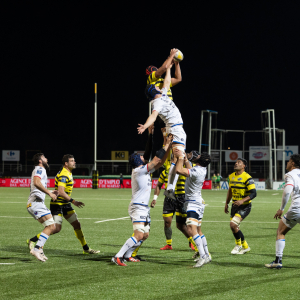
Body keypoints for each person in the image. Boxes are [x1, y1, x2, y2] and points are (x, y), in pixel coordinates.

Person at [111, 135, 173, 266]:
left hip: (144, 207)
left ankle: (128, 256)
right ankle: (118, 256)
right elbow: (156, 159)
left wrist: (169, 149)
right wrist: (166, 144)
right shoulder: (139, 171)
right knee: (138, 235)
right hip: (138, 206)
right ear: (136, 161)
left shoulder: (144, 171)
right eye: (140, 157)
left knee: (145, 235)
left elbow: (161, 162)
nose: (142, 157)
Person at [27, 154, 100, 255]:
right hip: (57, 204)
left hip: (65, 204)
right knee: (55, 228)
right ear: (66, 163)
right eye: (72, 161)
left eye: (74, 160)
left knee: (77, 224)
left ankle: (86, 248)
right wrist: (74, 201)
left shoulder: (68, 172)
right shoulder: (64, 174)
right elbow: (61, 191)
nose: (74, 162)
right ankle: (33, 240)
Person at [138, 50, 186, 201]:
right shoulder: (154, 88)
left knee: (173, 157)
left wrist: (175, 64)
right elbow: (153, 115)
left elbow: (171, 79)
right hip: (172, 126)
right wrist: (171, 57)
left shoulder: (163, 92)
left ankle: (164, 181)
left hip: (176, 127)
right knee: (178, 157)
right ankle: (170, 187)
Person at [174, 149, 212, 268]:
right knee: (198, 231)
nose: (197, 155)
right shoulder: (200, 169)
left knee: (191, 229)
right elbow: (190, 168)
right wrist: (185, 159)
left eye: (200, 155)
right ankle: (206, 255)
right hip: (197, 201)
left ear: (201, 160)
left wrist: (180, 158)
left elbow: (178, 170)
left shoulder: (198, 171)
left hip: (193, 203)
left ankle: (202, 256)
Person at [265, 154, 300, 269]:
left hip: (297, 209)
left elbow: (287, 191)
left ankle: (278, 261)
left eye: (289, 161)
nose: (287, 163)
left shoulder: (290, 175)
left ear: (293, 163)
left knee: (281, 231)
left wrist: (281, 209)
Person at [26, 153, 57, 262]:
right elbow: (36, 182)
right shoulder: (40, 169)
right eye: (44, 158)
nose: (47, 159)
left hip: (36, 203)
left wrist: (51, 191)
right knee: (50, 226)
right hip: (36, 203)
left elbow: (38, 185)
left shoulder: (39, 169)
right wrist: (49, 193)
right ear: (40, 160)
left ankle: (39, 249)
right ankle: (37, 249)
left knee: (50, 226)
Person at [224, 158, 256, 255]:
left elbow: (254, 193)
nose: (236, 163)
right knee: (235, 227)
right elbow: (230, 190)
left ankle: (238, 245)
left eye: (239, 163)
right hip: (234, 205)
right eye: (235, 162)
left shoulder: (247, 177)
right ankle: (245, 247)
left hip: (245, 206)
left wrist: (242, 201)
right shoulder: (231, 176)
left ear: (243, 166)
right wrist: (226, 203)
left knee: (233, 225)